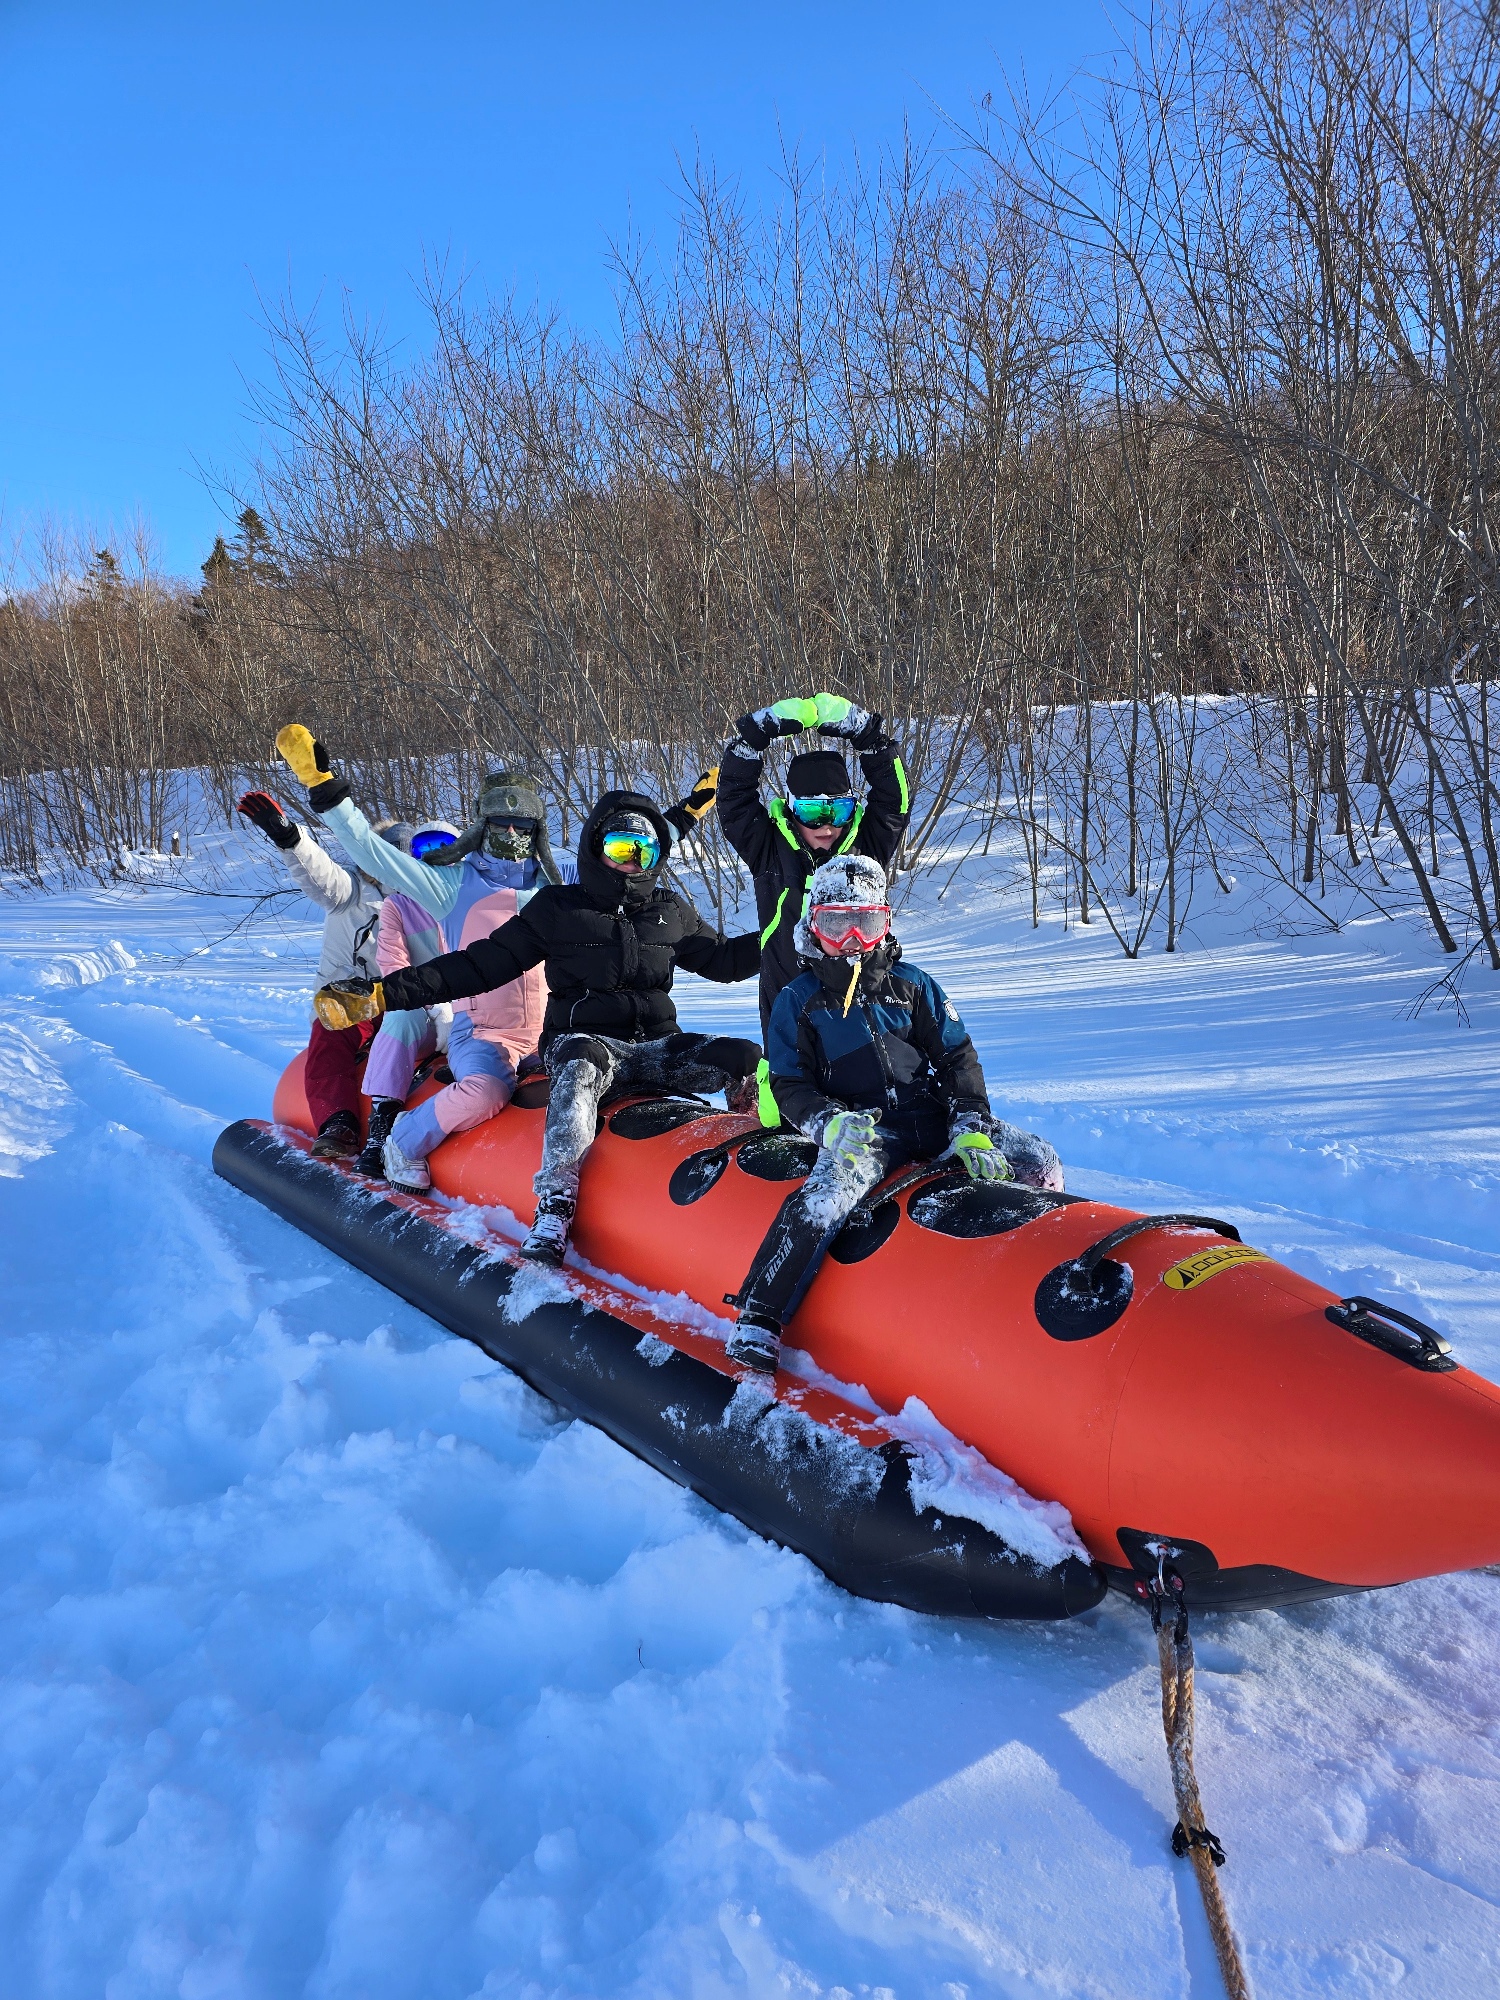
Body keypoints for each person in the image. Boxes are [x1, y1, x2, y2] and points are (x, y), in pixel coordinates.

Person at [313, 789, 762, 1265]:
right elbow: (479, 965)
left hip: (656, 1047)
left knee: (745, 1058)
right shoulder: (559, 908)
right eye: (620, 849)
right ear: (596, 849)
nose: (632, 862)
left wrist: (794, 933)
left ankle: (749, 1164)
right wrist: (386, 994)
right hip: (584, 1043)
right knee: (580, 1064)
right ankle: (555, 1202)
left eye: (643, 852)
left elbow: (726, 961)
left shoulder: (669, 911)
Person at [723, 855, 1065, 1374]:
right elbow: (789, 1082)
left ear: (885, 923)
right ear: (815, 928)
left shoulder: (913, 985)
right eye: (839, 926)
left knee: (1037, 1159)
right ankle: (760, 1315)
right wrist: (827, 1123)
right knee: (823, 1201)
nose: (854, 942)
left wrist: (970, 1124)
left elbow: (957, 1057)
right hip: (863, 1129)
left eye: (867, 924)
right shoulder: (799, 999)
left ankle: (1036, 1265)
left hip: (930, 1116)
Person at [274, 728, 579, 1192]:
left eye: (523, 825)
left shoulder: (555, 881)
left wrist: (672, 821)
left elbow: (617, 861)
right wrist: (329, 794)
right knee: (485, 1091)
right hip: (480, 1031)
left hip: (547, 1030)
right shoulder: (452, 886)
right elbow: (371, 851)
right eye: (500, 824)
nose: (512, 834)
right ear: (482, 827)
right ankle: (400, 1138)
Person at [716, 691, 911, 1119]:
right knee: (780, 1116)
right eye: (810, 811)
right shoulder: (768, 848)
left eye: (837, 810)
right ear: (790, 807)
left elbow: (894, 799)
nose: (825, 826)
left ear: (851, 808)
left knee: (867, 1102)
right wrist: (755, 735)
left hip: (859, 999)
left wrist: (868, 733)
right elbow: (731, 799)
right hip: (786, 1000)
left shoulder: (867, 846)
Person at [235, 787, 409, 1160]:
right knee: (334, 1032)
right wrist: (290, 838)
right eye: (394, 856)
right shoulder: (353, 892)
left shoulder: (434, 903)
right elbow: (323, 877)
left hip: (414, 1003)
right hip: (353, 1001)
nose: (402, 865)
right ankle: (338, 1122)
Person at [356, 819, 461, 1175]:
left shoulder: (483, 901)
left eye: (444, 848)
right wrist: (437, 1007)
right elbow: (395, 971)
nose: (434, 858)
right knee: (399, 1015)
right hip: (426, 1019)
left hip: (482, 1016)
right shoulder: (399, 907)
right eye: (424, 850)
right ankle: (382, 1124)